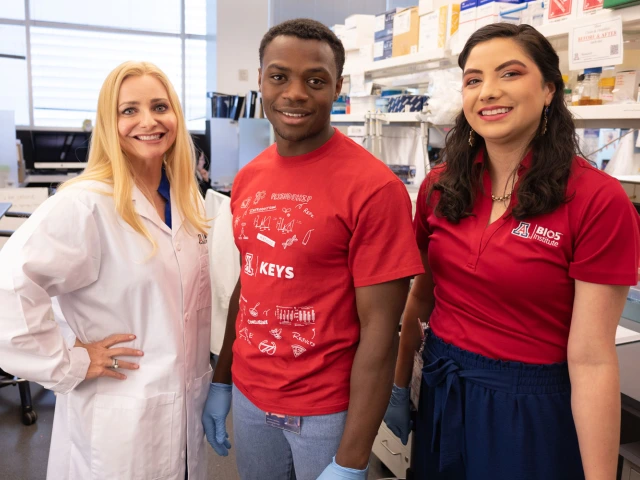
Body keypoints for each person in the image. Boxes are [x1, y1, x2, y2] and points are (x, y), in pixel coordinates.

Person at [384, 23, 640, 480]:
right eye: (473, 79)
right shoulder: (439, 186)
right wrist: (400, 385)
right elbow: (420, 299)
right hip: (445, 389)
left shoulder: (597, 200)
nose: (488, 91)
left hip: (530, 410)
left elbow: (593, 359)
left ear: (547, 90)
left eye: (510, 73)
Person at [201, 18, 424, 480]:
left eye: (315, 80)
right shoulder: (249, 178)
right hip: (249, 397)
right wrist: (222, 378)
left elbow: (382, 330)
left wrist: (353, 457)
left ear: (337, 87)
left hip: (325, 413)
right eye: (279, 76)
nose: (296, 93)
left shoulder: (373, 188)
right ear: (261, 80)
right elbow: (250, 285)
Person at [0, 61, 213, 480]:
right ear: (108, 123)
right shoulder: (85, 203)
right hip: (119, 419)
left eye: (159, 106)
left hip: (185, 411)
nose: (148, 121)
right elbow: (9, 289)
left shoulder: (188, 203)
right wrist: (69, 362)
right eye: (128, 110)